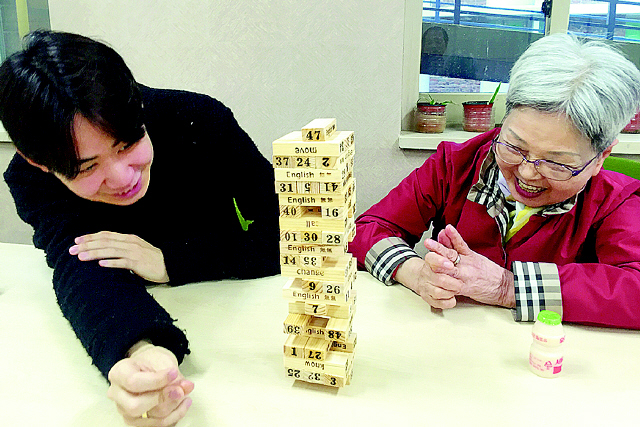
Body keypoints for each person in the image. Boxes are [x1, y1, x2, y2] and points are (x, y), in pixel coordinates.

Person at [0, 30, 280, 425]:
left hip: (251, 315)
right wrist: (140, 351)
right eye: (87, 167)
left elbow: (291, 234)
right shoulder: (30, 180)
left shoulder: (198, 119)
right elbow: (79, 265)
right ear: (38, 163)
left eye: (126, 144)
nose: (121, 178)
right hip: (153, 315)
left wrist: (172, 261)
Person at [351, 33, 640, 330]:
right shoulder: (456, 165)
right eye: (515, 147)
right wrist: (414, 271)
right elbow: (364, 230)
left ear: (602, 157)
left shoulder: (615, 200)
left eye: (556, 163)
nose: (527, 174)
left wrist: (507, 287)